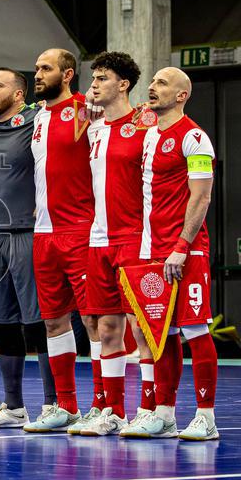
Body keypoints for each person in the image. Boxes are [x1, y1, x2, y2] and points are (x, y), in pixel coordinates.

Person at [120, 67, 219, 441]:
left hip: (185, 252)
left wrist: (181, 246)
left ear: (181, 95)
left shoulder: (194, 137)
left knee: (195, 329)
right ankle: (164, 414)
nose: (152, 87)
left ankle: (206, 417)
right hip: (151, 250)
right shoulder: (148, 137)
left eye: (162, 83)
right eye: (153, 81)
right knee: (162, 333)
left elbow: (202, 196)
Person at [23, 49, 102, 434]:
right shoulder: (38, 117)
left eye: (45, 68)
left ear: (67, 74)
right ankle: (65, 405)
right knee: (53, 321)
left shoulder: (87, 109)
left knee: (94, 320)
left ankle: (106, 405)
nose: (37, 74)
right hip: (44, 233)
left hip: (82, 231)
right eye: (36, 68)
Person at [78, 52, 155, 436]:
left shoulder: (146, 125)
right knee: (105, 327)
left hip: (135, 240)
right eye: (93, 77)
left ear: (123, 84)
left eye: (102, 78)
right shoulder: (91, 128)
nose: (94, 84)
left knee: (143, 329)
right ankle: (115, 411)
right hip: (98, 239)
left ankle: (151, 409)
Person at [0, 68, 56, 428]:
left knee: (38, 324)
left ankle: (55, 404)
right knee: (0, 322)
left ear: (20, 94)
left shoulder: (40, 117)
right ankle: (14, 406)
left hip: (30, 233)